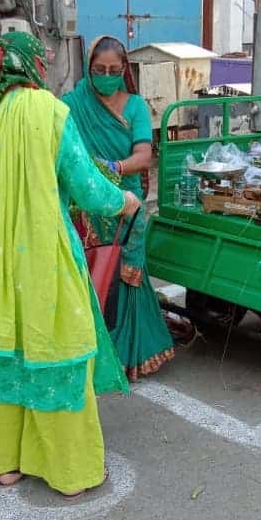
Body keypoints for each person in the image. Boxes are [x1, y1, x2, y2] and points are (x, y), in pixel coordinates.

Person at [0, 32, 139, 494]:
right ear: (31, 68)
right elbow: (87, 187)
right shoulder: (50, 112)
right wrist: (121, 201)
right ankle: (70, 471)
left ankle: (2, 462)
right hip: (38, 256)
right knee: (53, 355)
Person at [63, 36, 175, 381]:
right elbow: (65, 151)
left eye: (114, 70)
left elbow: (143, 157)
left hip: (126, 207)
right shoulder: (72, 105)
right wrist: (88, 177)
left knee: (127, 278)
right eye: (99, 70)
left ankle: (132, 355)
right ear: (88, 69)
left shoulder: (136, 106)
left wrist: (111, 169)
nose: (107, 76)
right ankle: (91, 353)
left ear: (124, 70)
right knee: (90, 277)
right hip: (87, 204)